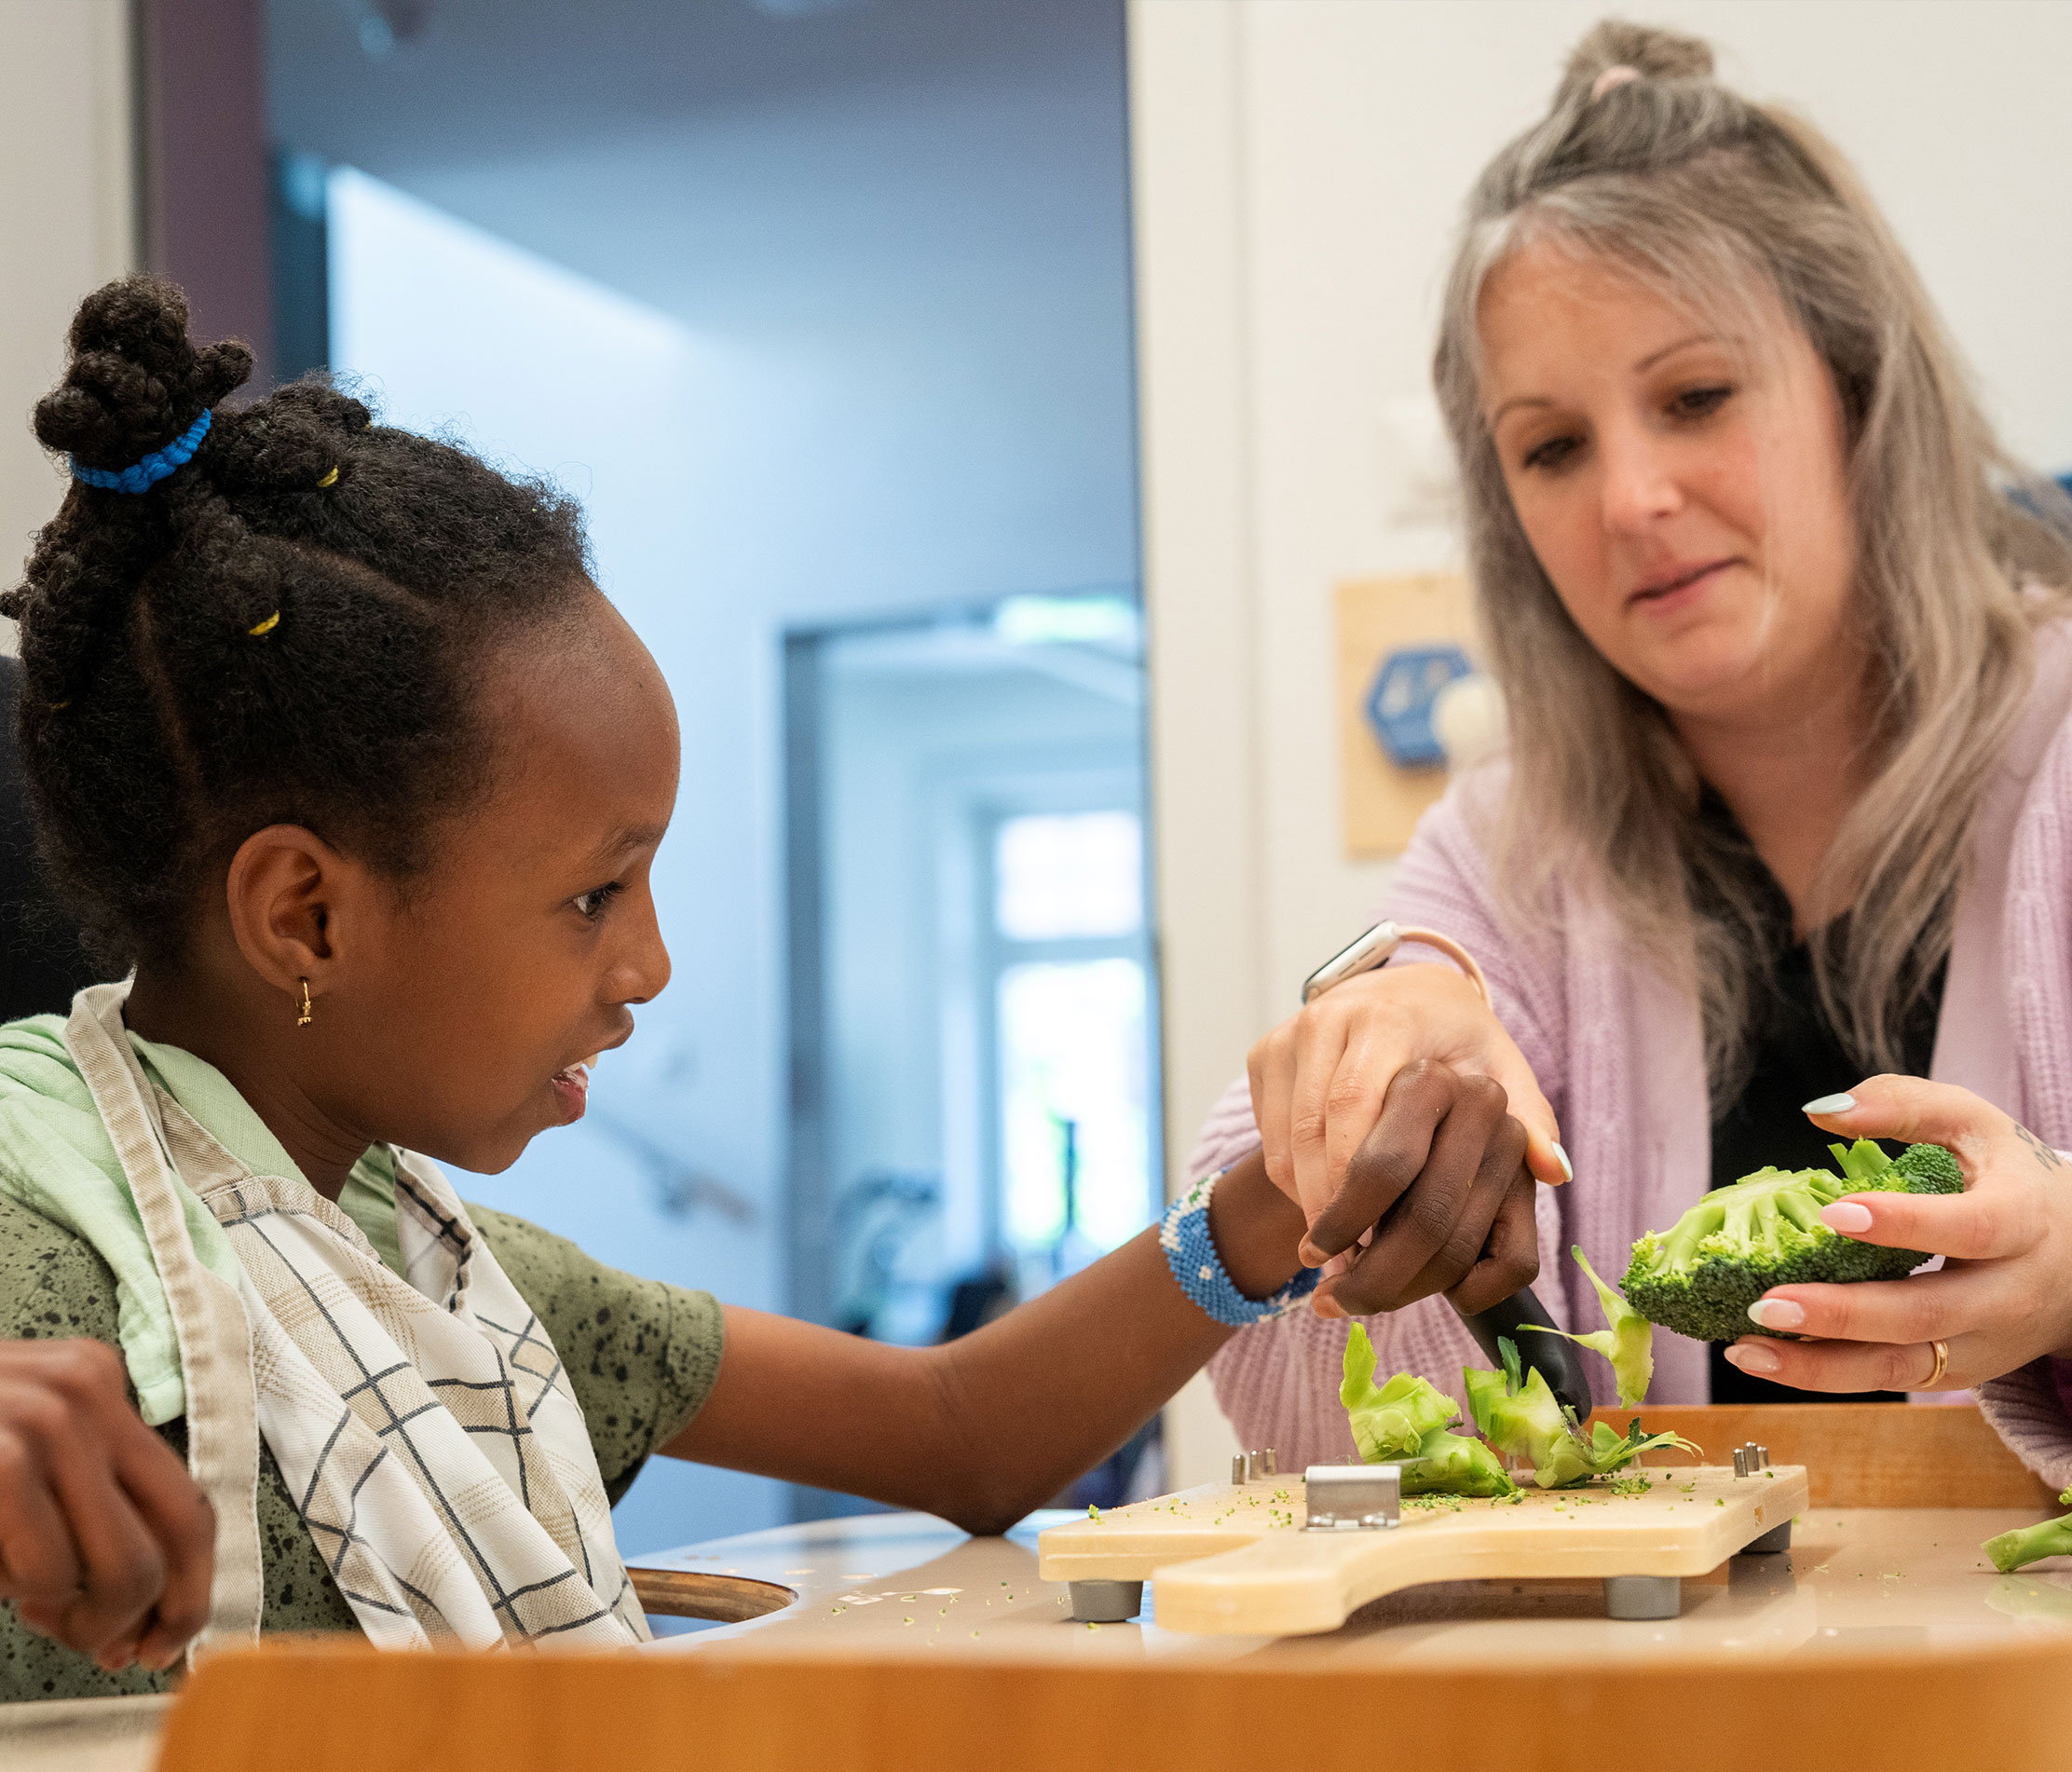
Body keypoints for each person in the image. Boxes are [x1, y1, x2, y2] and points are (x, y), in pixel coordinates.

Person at [0, 276, 1425, 1702]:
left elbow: (958, 1427)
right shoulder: (44, 1277)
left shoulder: (414, 1261)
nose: (650, 966)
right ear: (305, 916)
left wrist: (1280, 1202)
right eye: (592, 896)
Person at [1199, 20, 2072, 1485]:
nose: (1633, 499)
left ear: (1856, 385)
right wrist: (1375, 1095)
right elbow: (1290, 1386)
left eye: (1696, 399)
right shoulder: (1502, 856)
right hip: (1663, 1708)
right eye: (1552, 448)